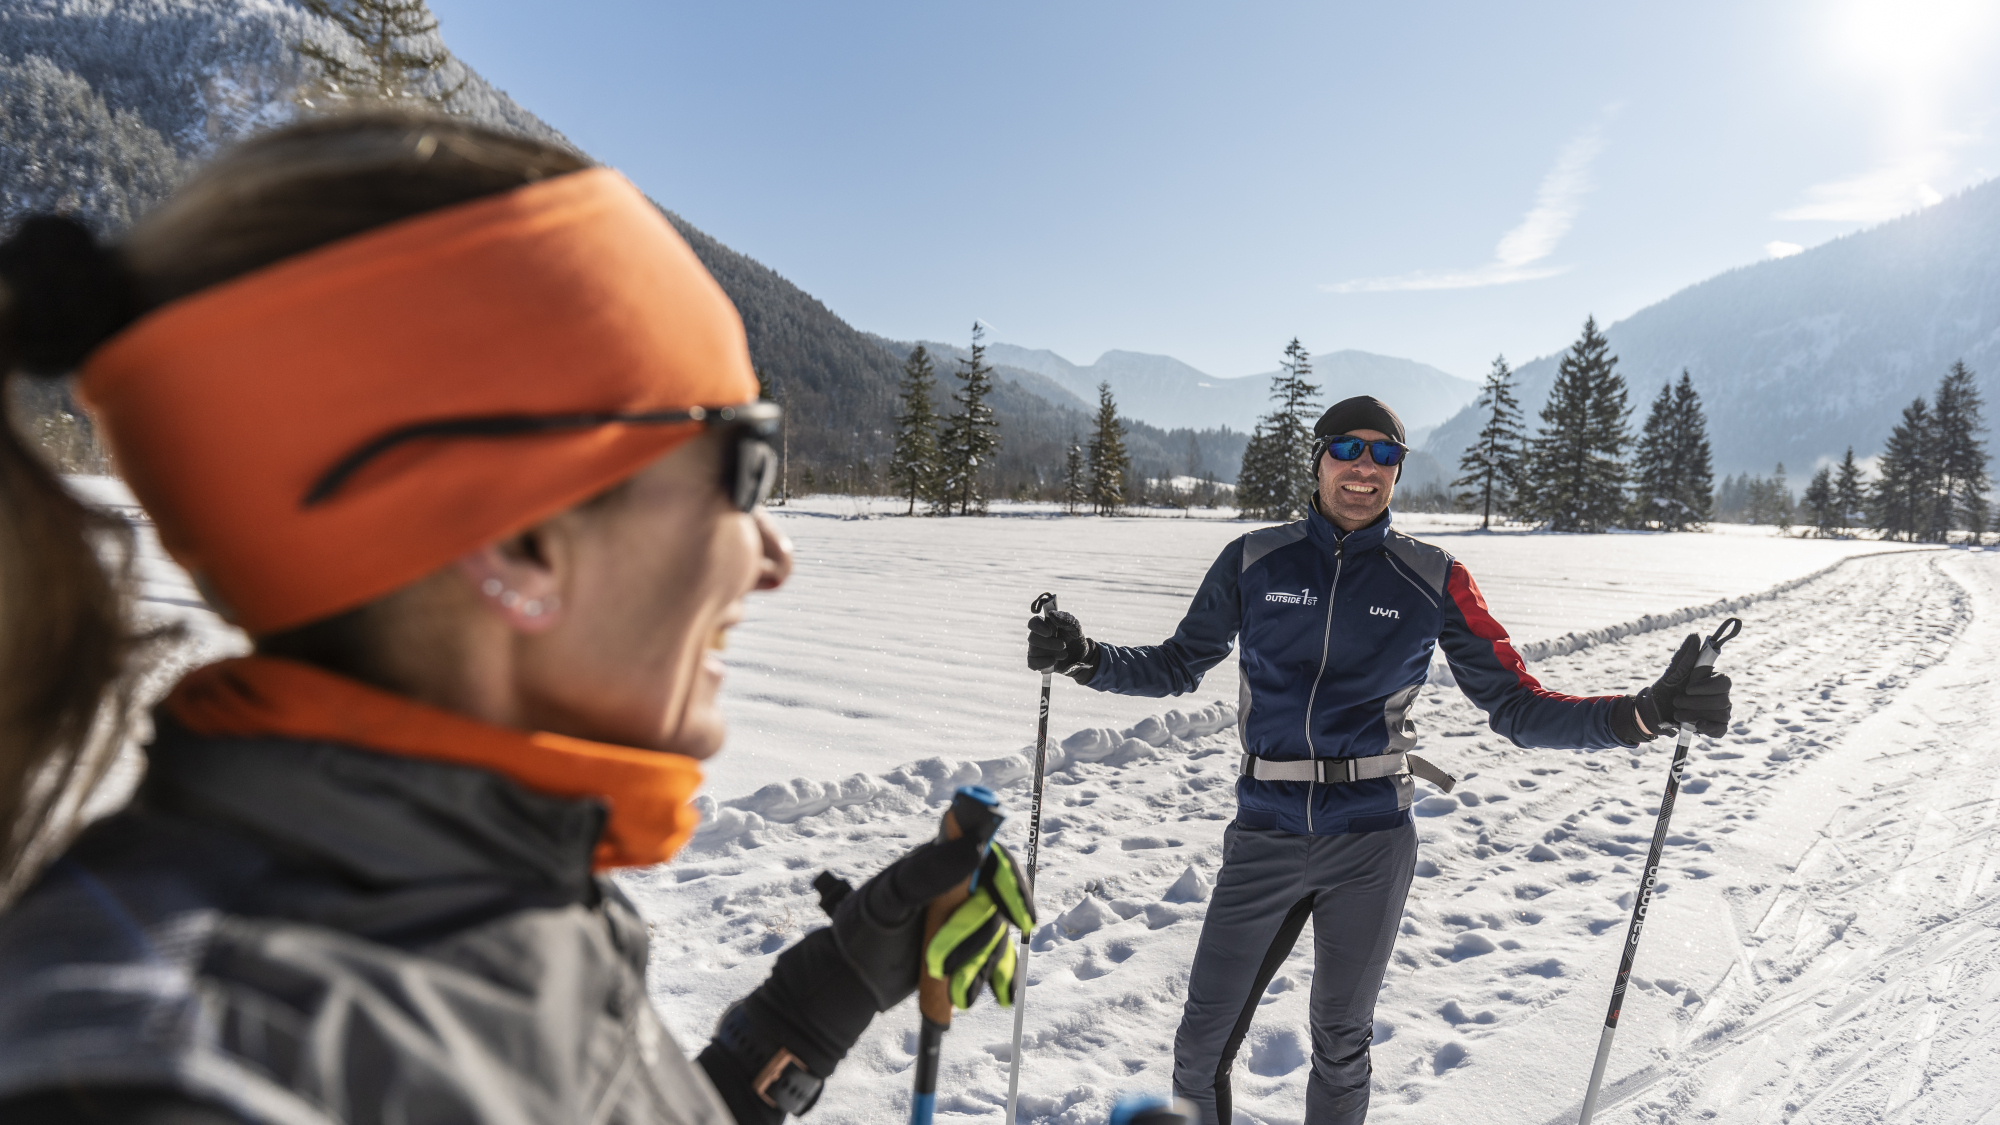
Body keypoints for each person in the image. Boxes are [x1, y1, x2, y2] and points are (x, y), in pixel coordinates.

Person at [0, 113, 1033, 1125]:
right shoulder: (185, 1081)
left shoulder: (464, 908)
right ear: (520, 546)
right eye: (743, 467)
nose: (772, 553)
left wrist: (830, 992)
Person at [1025, 395, 1733, 1125]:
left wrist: (1640, 714)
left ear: (1398, 471)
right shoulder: (1253, 559)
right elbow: (1178, 662)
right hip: (1264, 832)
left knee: (1340, 1041)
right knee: (1199, 1050)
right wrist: (1084, 657)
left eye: (1384, 455)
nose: (1364, 469)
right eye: (1347, 449)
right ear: (1318, 459)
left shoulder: (1433, 576)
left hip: (1369, 841)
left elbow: (1515, 704)